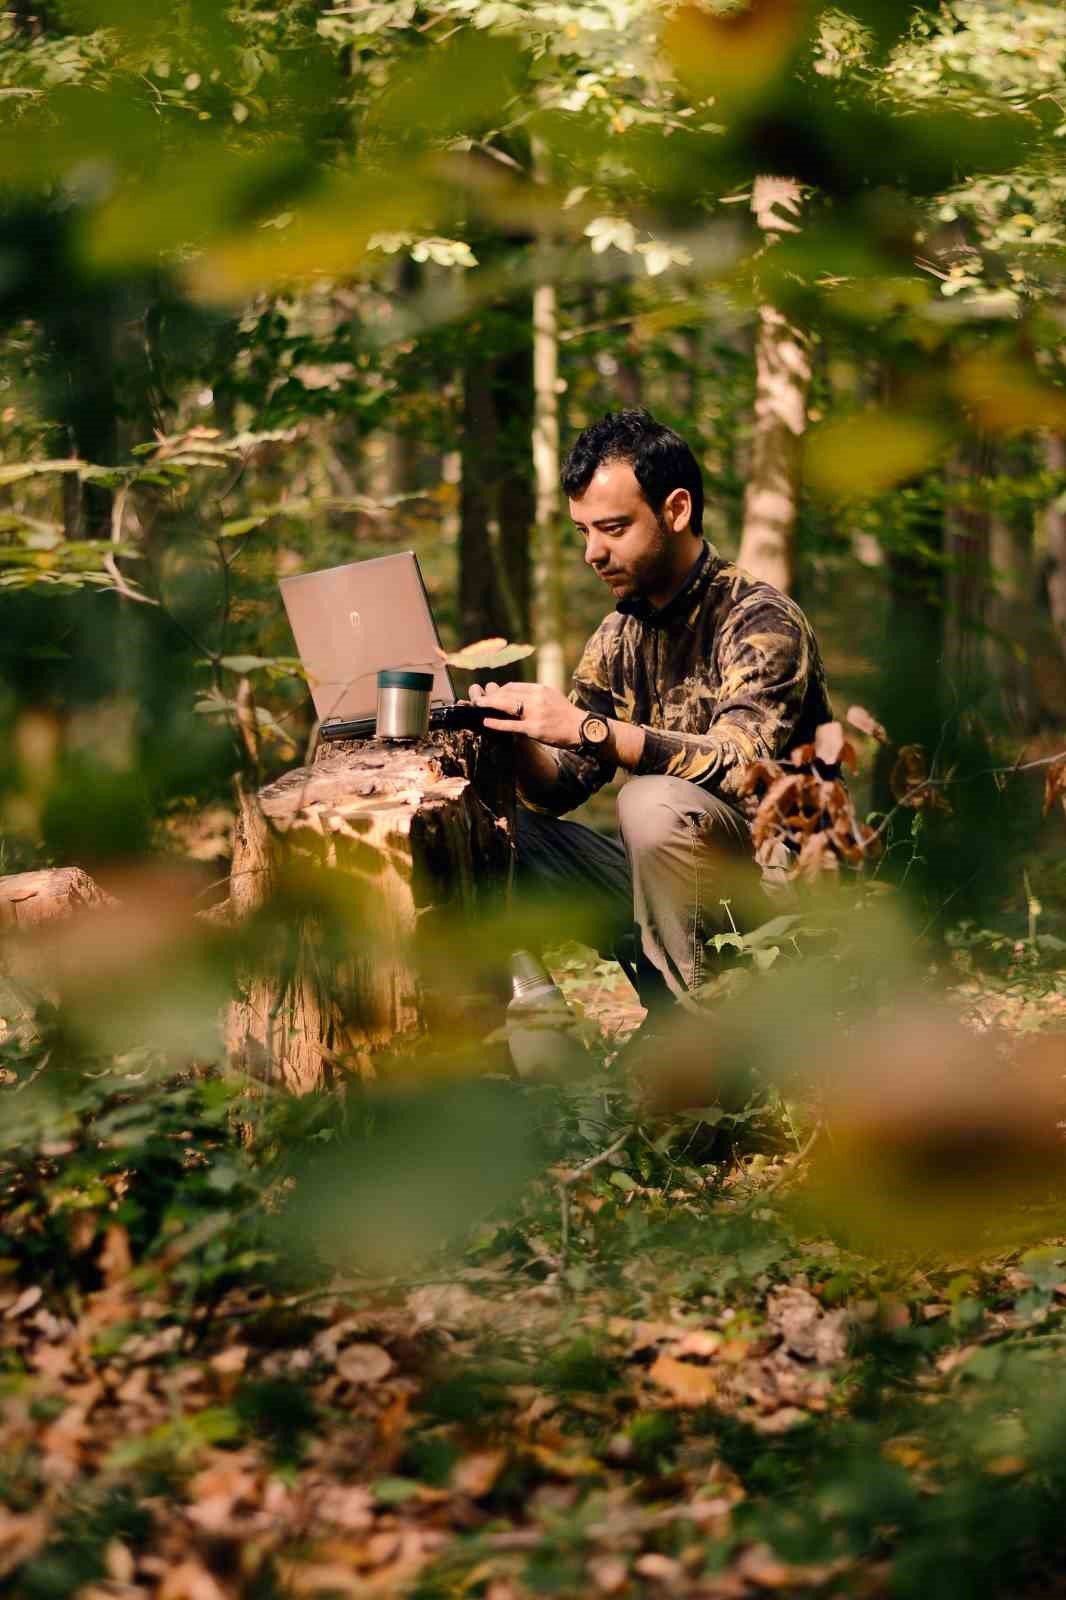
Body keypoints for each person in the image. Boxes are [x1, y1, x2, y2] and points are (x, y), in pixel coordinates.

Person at [470, 409, 832, 1019]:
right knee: (497, 829)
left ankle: (713, 1046)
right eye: (582, 531)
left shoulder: (760, 620)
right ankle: (540, 1036)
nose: (592, 552)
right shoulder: (619, 636)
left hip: (773, 908)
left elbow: (741, 764)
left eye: (612, 528)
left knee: (650, 803)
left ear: (677, 510)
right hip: (667, 895)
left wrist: (590, 729)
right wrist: (519, 734)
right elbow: (562, 788)